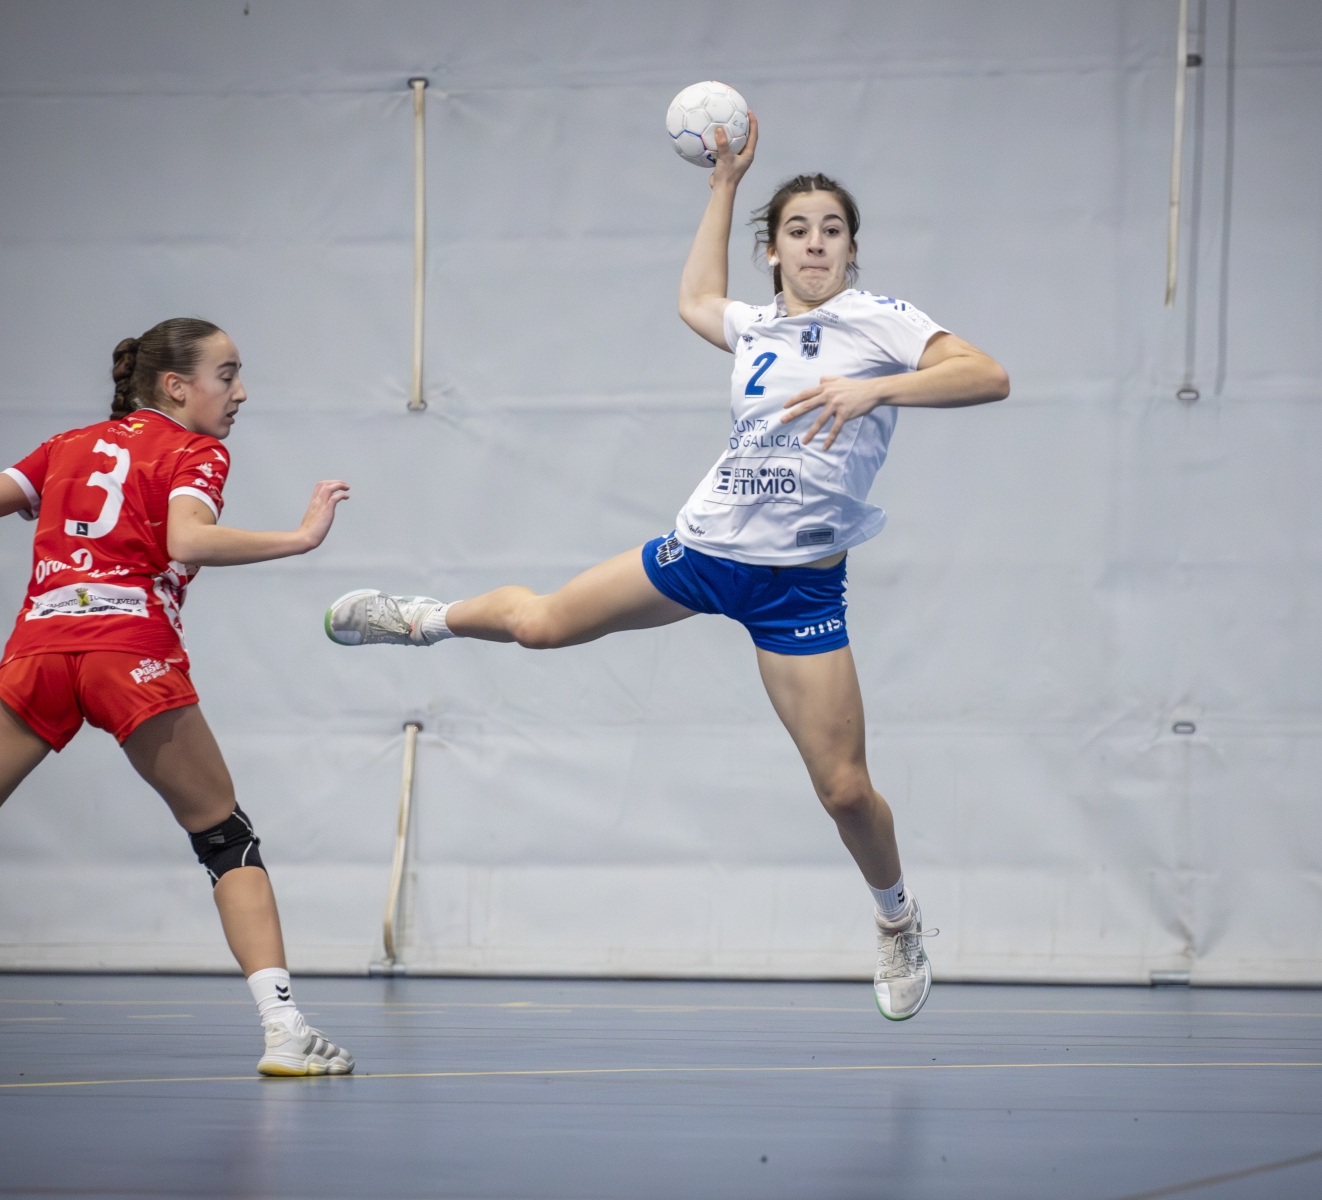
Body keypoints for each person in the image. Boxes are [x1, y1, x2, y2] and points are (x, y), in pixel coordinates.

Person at [325, 116, 1009, 1020]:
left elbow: (988, 375)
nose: (815, 243)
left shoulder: (880, 322)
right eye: (797, 230)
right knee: (538, 626)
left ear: (852, 249)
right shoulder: (756, 327)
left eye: (832, 230)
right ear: (773, 251)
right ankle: (421, 619)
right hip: (705, 551)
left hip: (798, 586)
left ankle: (896, 919)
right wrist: (724, 185)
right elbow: (695, 299)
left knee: (844, 791)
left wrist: (876, 386)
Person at [0, 318, 356, 1075]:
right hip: (129, 652)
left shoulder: (65, 447)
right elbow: (187, 540)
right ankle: (285, 1031)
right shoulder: (196, 450)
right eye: (227, 375)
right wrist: (301, 537)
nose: (241, 392)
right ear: (175, 387)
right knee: (226, 840)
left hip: (39, 652)